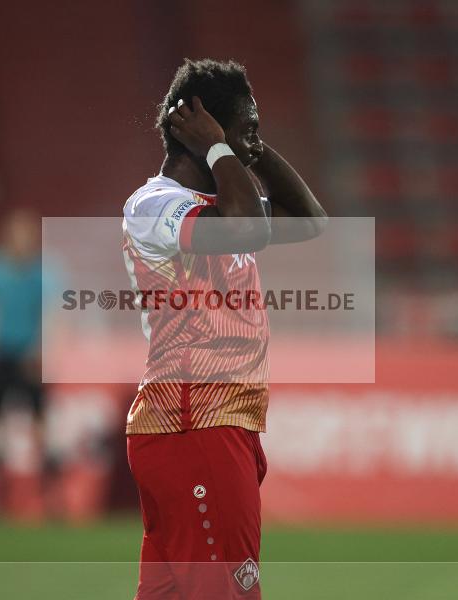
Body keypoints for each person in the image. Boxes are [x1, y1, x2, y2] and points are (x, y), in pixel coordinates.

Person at [122, 59, 326, 598]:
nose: (253, 136)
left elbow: (310, 221)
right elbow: (244, 228)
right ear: (204, 127)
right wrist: (221, 146)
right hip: (194, 424)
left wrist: (250, 148)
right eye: (247, 124)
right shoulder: (152, 204)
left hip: (211, 427)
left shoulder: (221, 204)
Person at [0, 209, 61, 516]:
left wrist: (41, 349)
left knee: (40, 426)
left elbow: (53, 313)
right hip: (3, 355)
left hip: (31, 358)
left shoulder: (42, 273)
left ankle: (49, 496)